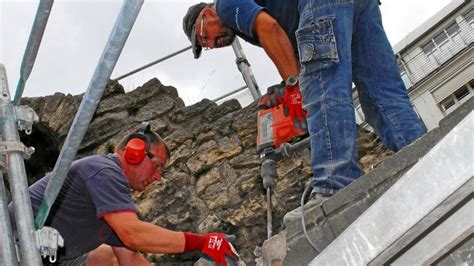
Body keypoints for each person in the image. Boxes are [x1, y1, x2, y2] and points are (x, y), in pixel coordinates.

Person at [183, 1, 426, 200]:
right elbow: (289, 39)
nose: (211, 44)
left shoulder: (226, 5)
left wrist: (293, 85)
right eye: (207, 47)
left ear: (207, 14)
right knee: (382, 93)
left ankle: (335, 183)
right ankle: (423, 151)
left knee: (323, 91)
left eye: (205, 37)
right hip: (360, 5)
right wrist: (295, 79)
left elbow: (270, 29)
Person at [9, 122, 237, 266]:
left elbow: (131, 260)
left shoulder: (113, 200)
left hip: (50, 257)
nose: (158, 177)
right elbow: (134, 234)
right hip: (15, 248)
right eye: (157, 166)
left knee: (108, 257)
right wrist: (202, 242)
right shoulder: (104, 171)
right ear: (134, 152)